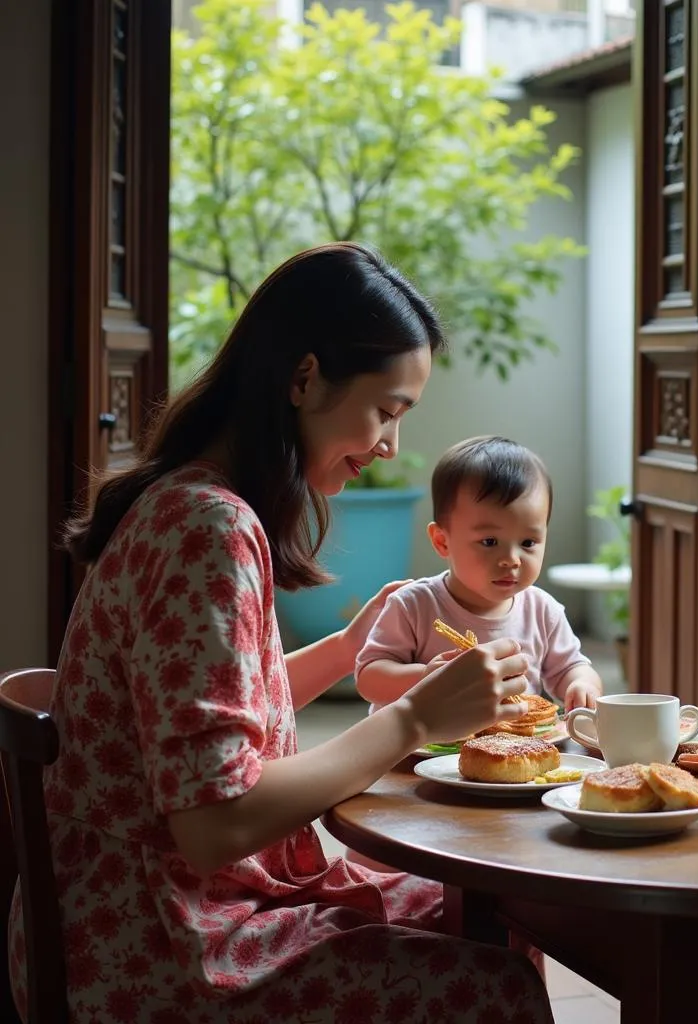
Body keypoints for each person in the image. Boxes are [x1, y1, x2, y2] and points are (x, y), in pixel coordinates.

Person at [6, 243, 555, 1024]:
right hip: (154, 948)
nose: (391, 446)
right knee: (495, 984)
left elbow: (200, 719)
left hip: (120, 917)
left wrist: (342, 651)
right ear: (304, 379)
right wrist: (418, 718)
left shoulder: (188, 498)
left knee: (481, 916)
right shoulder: (208, 527)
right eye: (385, 411)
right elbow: (213, 822)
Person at [355, 436, 604, 716]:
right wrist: (426, 676)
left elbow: (571, 667)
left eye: (528, 543)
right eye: (489, 542)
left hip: (509, 750)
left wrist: (582, 685)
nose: (511, 560)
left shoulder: (542, 611)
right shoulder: (414, 606)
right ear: (442, 541)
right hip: (418, 750)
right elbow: (369, 678)